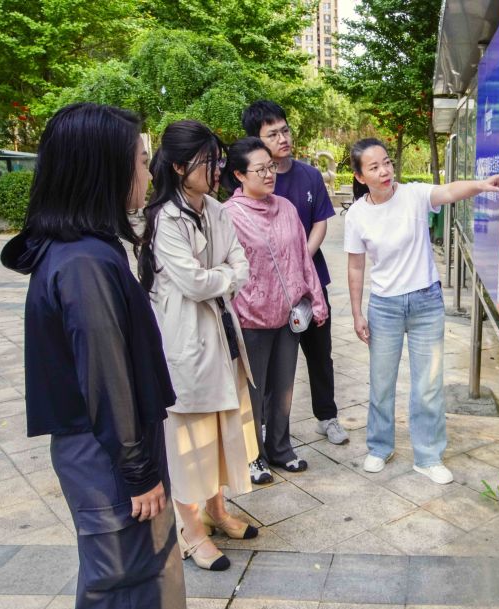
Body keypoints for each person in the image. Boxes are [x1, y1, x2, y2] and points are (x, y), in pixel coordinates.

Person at [0, 103, 186, 609]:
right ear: (104, 168)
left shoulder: (82, 250)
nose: (148, 174)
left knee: (137, 583)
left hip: (106, 445)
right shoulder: (83, 261)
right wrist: (137, 470)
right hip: (107, 451)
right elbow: (105, 375)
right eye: (141, 161)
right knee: (127, 593)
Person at [344, 138, 499, 484]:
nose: (384, 171)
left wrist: (481, 185)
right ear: (360, 176)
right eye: (374, 167)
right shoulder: (357, 215)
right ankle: (379, 447)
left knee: (428, 385)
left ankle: (428, 456)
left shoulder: (414, 195)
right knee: (381, 383)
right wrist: (357, 313)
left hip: (426, 303)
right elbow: (356, 266)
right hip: (385, 307)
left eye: (386, 162)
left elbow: (448, 191)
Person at [138, 120, 260, 572]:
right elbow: (193, 282)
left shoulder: (216, 209)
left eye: (217, 160)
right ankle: (190, 531)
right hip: (185, 340)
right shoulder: (162, 219)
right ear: (178, 166)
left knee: (221, 431)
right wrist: (225, 278)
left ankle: (217, 511)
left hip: (221, 333)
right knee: (190, 438)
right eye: (208, 161)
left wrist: (220, 277)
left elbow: (240, 262)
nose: (217, 169)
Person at [222, 137, 329, 483]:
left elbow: (302, 258)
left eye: (271, 167)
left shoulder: (285, 208)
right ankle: (252, 456)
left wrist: (315, 299)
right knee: (253, 392)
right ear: (239, 175)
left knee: (283, 389)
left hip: (287, 316)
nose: (270, 174)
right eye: (261, 169)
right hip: (250, 318)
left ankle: (281, 448)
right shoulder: (228, 215)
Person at [241, 101, 348, 446]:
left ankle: (327, 416)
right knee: (272, 362)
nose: (283, 138)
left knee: (320, 354)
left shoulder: (309, 175)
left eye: (284, 130)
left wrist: (300, 260)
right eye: (272, 134)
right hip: (270, 292)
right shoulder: (252, 181)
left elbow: (320, 222)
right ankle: (265, 426)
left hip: (311, 282)